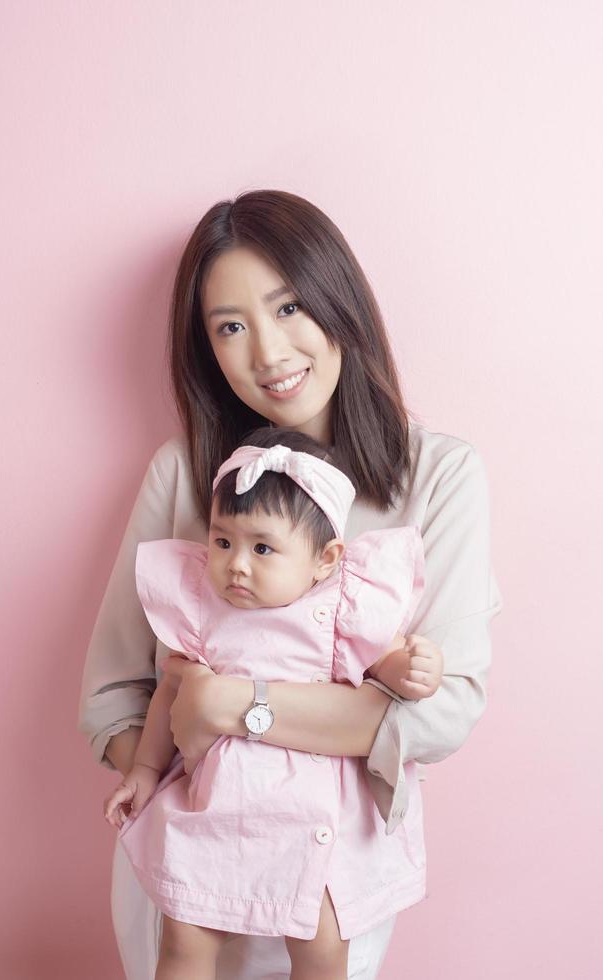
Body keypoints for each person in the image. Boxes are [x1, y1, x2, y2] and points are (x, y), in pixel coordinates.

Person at [78, 188, 502, 980]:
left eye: (290, 307)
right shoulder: (186, 474)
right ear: (206, 350)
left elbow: (436, 714)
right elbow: (113, 697)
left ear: (341, 304)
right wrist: (195, 794)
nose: (268, 353)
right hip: (190, 882)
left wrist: (232, 707)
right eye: (230, 327)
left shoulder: (439, 478)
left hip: (333, 885)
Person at [103, 429, 443, 980]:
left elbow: (383, 664)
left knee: (322, 945)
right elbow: (171, 690)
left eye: (262, 548)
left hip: (313, 816)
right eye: (222, 542)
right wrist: (143, 769)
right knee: (185, 940)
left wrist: (412, 667)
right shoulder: (200, 606)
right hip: (218, 807)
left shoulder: (341, 609)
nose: (237, 565)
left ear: (325, 560)